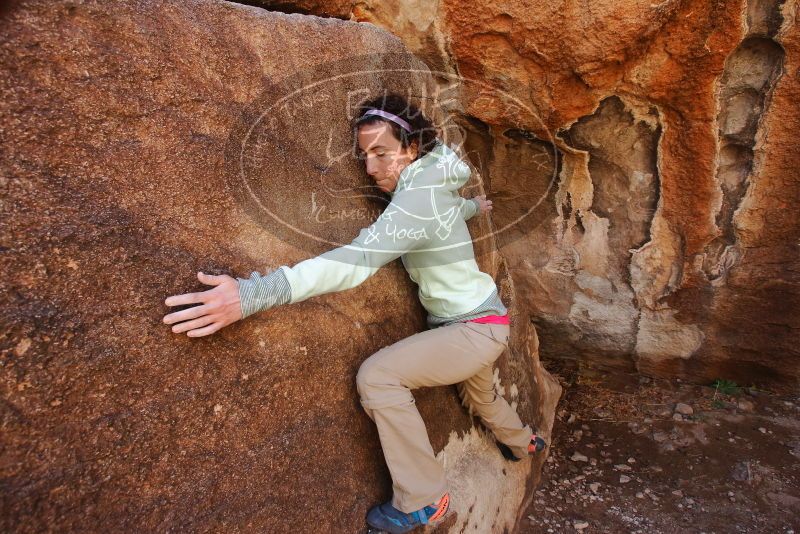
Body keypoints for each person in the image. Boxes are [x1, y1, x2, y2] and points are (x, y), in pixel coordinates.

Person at [162, 94, 546, 534]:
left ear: (412, 148)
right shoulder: (432, 180)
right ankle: (524, 441)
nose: (370, 168)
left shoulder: (415, 200)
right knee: (481, 397)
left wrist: (254, 294)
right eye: (364, 155)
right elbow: (449, 210)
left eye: (382, 153)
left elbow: (354, 263)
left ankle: (423, 499)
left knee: (379, 377)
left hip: (472, 332)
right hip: (484, 322)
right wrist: (473, 208)